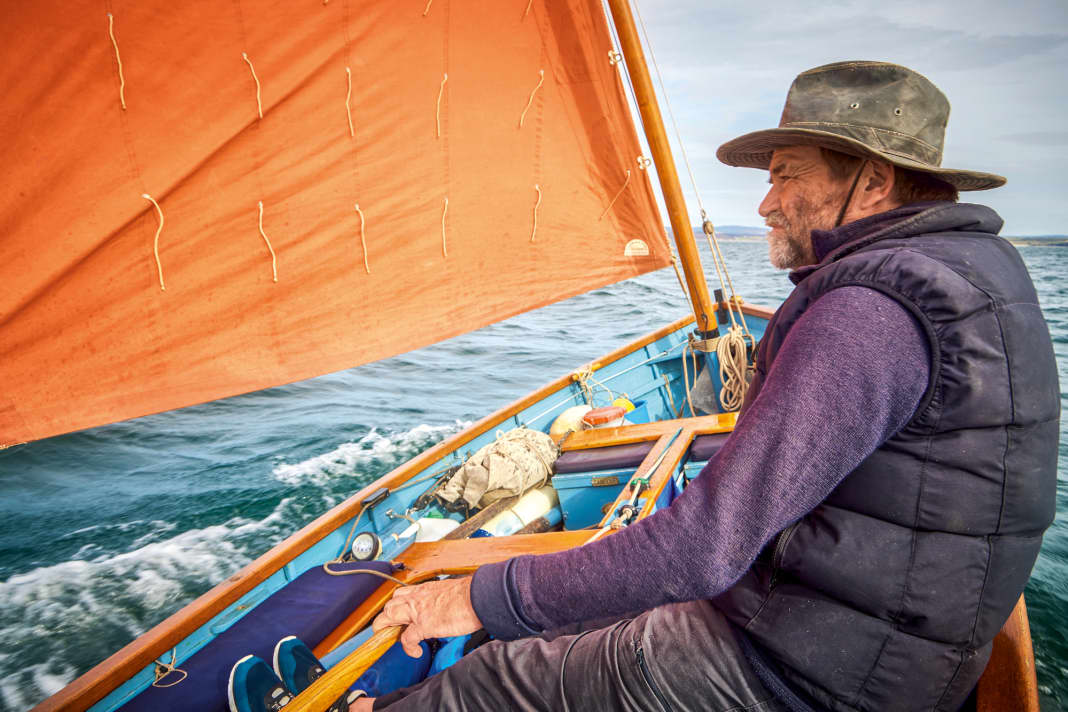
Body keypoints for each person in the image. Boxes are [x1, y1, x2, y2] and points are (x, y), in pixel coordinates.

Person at [353, 61, 1059, 712]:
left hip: (804, 670)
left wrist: (476, 597)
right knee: (576, 618)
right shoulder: (974, 275)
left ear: (872, 182)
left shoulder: (869, 316)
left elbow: (704, 548)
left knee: (491, 683)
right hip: (885, 649)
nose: (765, 204)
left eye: (786, 176)